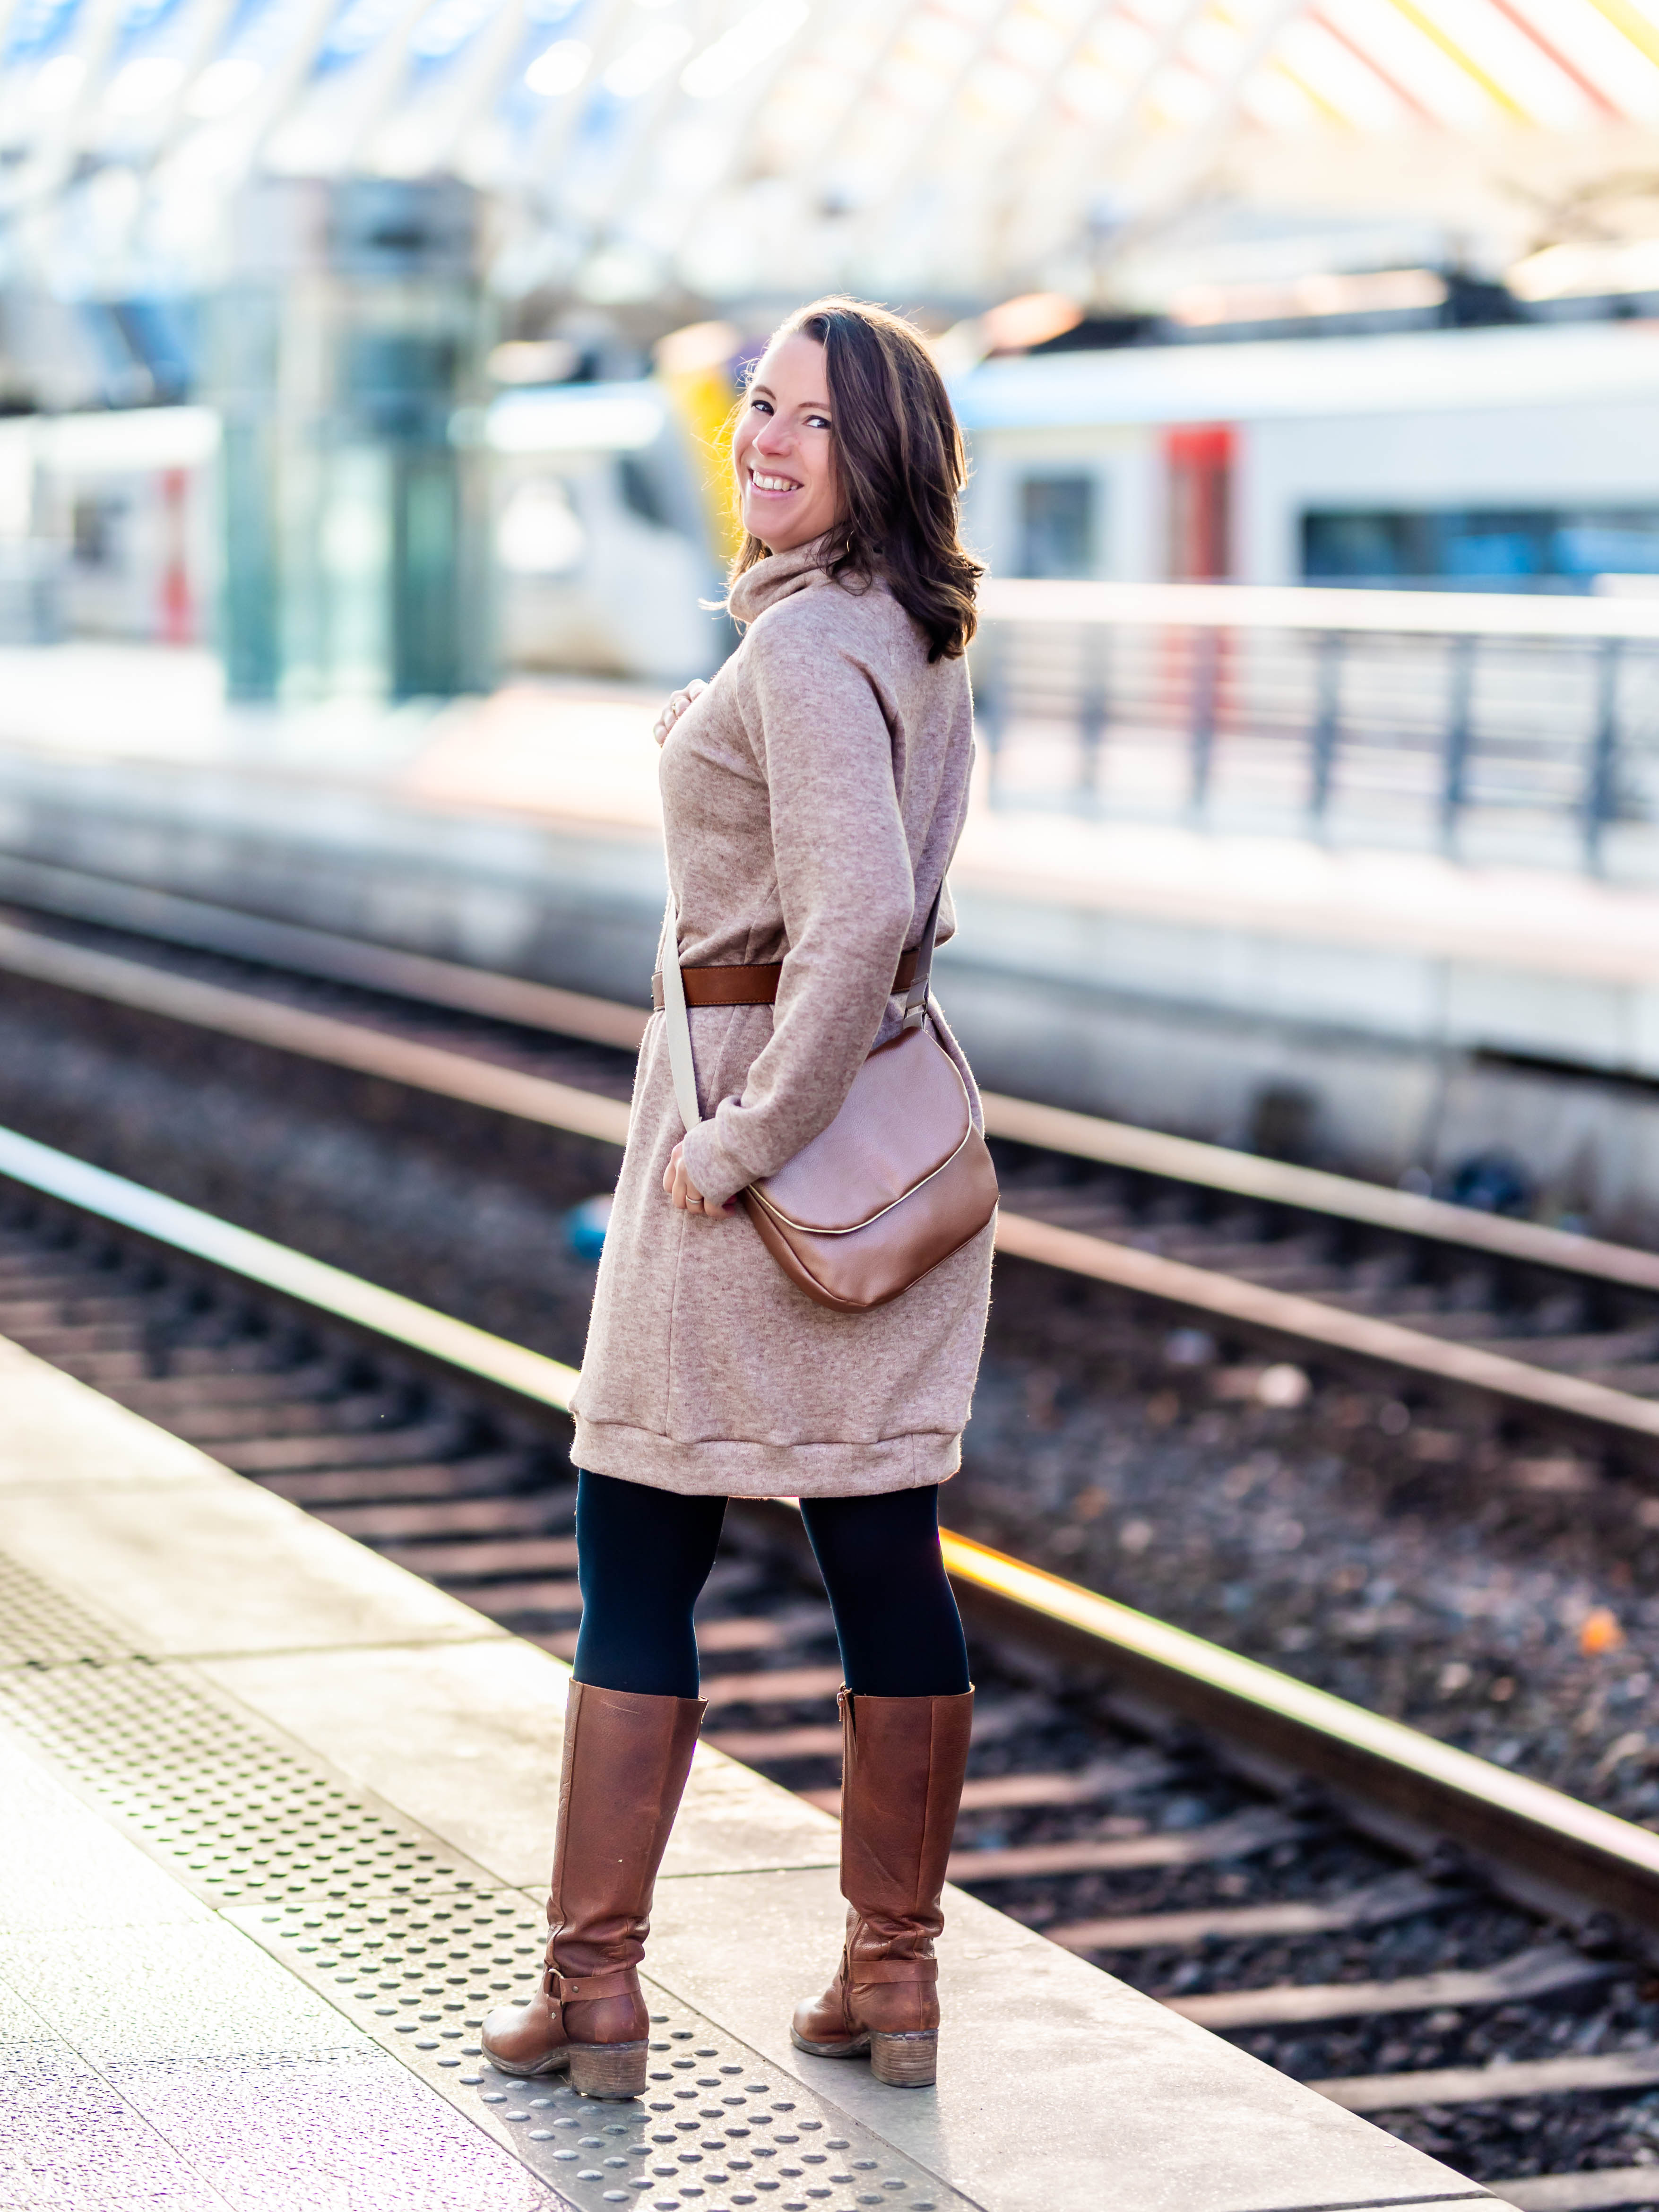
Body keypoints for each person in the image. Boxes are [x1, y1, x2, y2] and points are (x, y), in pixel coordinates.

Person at [482, 297, 994, 2101]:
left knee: (637, 1544)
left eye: (812, 425)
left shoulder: (795, 654)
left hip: (756, 1160)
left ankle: (594, 1995)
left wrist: (741, 1143)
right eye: (756, 410)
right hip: (895, 1162)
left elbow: (850, 911)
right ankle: (893, 1982)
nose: (764, 445)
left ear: (885, 459)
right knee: (881, 1553)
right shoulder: (909, 633)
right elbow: (900, 909)